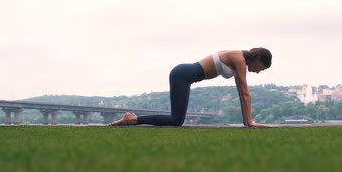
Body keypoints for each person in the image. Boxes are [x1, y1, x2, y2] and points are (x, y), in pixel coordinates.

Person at [110, 48, 272, 127]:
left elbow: (241, 93)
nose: (258, 72)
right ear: (258, 58)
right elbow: (245, 93)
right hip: (181, 75)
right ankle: (131, 119)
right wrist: (250, 121)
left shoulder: (239, 60)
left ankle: (132, 119)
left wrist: (247, 121)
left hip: (183, 76)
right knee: (175, 120)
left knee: (176, 120)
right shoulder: (239, 59)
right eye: (261, 68)